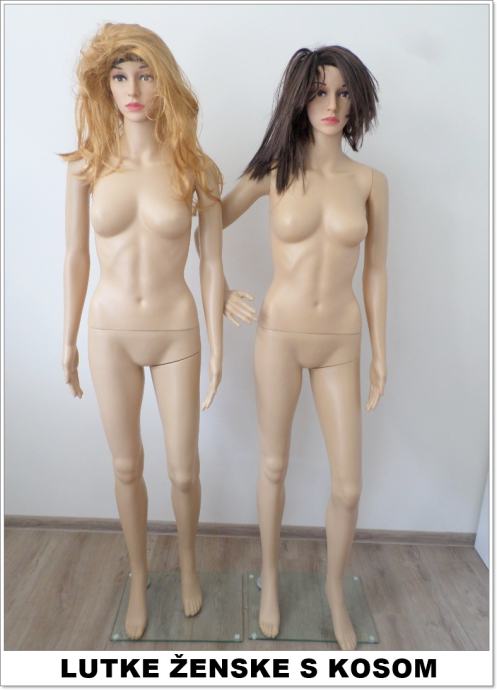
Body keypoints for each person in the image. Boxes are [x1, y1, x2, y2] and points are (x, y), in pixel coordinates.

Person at [207, 46, 388, 650]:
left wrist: (381, 351)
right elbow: (208, 223)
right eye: (318, 92)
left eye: (342, 92)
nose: (331, 104)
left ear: (357, 99)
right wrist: (220, 289)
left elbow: (376, 272)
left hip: (341, 339)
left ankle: (335, 589)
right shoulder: (275, 172)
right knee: (273, 465)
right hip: (280, 334)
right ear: (299, 99)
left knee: (348, 486)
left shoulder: (369, 183)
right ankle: (271, 578)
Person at [61, 23, 224, 640]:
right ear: (104, 86)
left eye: (146, 75)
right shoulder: (87, 166)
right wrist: (68, 339)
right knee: (127, 466)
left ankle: (188, 565)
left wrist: (217, 348)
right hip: (110, 333)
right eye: (120, 76)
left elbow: (212, 264)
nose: (132, 89)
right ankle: (137, 575)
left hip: (176, 328)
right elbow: (76, 257)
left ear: (164, 83)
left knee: (183, 471)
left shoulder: (195, 168)